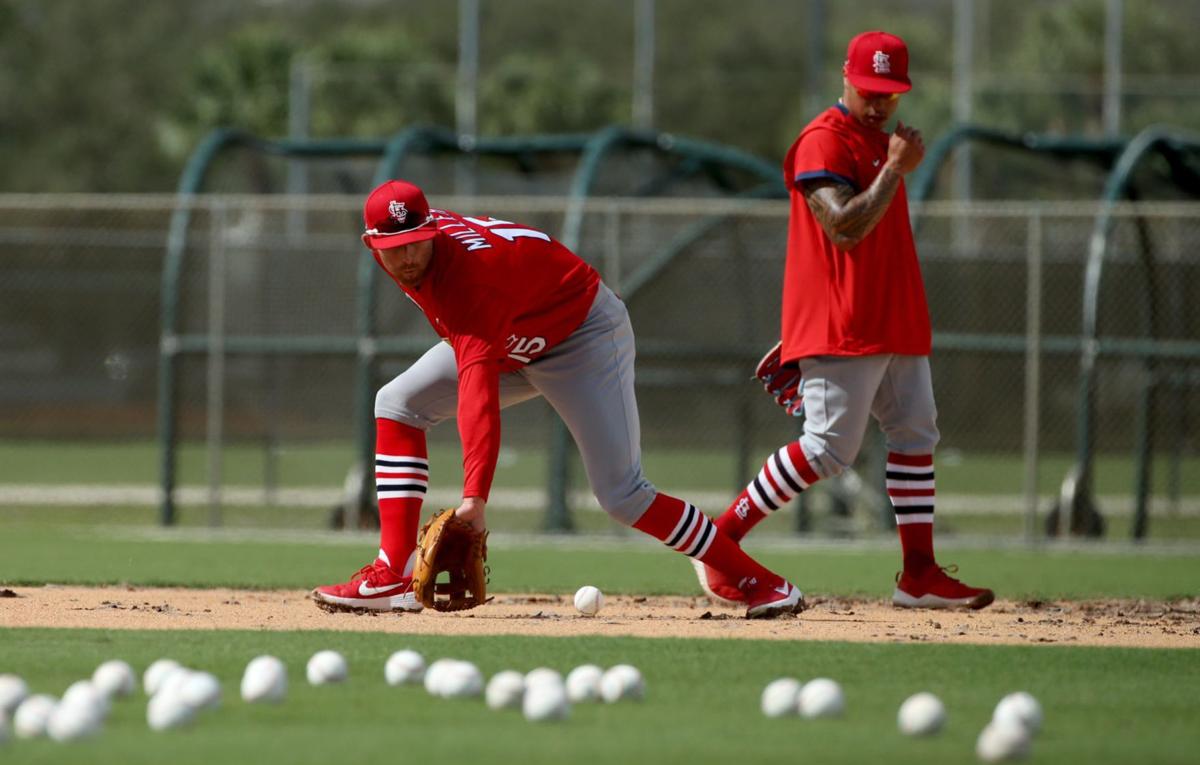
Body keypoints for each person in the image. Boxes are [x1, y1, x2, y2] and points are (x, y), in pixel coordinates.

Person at [312, 179, 803, 618]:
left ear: (432, 230)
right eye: (395, 247)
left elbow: (477, 396)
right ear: (371, 246)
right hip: (514, 335)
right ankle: (390, 574)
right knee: (397, 404)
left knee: (623, 495)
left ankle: (759, 582)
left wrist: (474, 499)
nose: (409, 256)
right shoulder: (415, 264)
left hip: (582, 335)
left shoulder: (465, 278)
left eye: (417, 242)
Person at [694, 30, 994, 609]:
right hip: (843, 320)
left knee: (915, 434)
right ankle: (721, 543)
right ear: (846, 79)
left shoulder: (882, 142)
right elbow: (844, 228)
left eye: (889, 92)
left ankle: (919, 573)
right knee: (828, 449)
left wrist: (892, 164)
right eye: (868, 89)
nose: (878, 102)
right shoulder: (822, 141)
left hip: (895, 316)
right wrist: (895, 171)